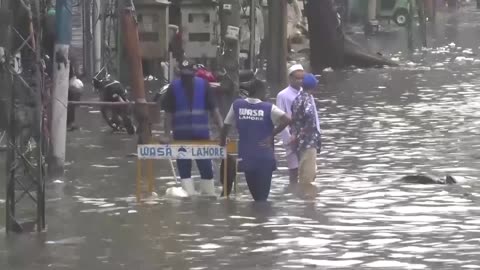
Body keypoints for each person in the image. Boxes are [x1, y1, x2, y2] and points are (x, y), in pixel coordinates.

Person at [220, 79, 291, 201]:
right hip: (264, 159)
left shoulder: (237, 105)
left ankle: (255, 218)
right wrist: (271, 135)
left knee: (256, 198)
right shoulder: (269, 108)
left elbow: (226, 125)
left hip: (247, 159)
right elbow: (287, 119)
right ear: (261, 92)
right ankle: (262, 219)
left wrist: (222, 143)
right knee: (262, 200)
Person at [162, 60, 224, 197]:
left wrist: (222, 133)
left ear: (195, 73)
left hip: (201, 137)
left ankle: (208, 195)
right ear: (180, 73)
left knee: (206, 169)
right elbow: (168, 113)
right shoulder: (173, 87)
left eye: (189, 75)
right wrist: (166, 134)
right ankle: (188, 195)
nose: (187, 78)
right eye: (184, 75)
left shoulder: (204, 85)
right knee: (184, 170)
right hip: (181, 137)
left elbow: (215, 111)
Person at [276, 64, 305, 184]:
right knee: (293, 170)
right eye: (297, 78)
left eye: (302, 78)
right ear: (290, 78)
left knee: (307, 169)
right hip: (290, 137)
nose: (300, 81)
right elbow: (279, 117)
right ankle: (293, 192)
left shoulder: (306, 93)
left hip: (306, 136)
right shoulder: (282, 95)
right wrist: (288, 138)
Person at [290, 73, 321, 184]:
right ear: (313, 86)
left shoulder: (297, 99)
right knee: (308, 177)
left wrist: (296, 133)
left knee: (302, 173)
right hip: (309, 141)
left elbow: (293, 120)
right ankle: (308, 199)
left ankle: (300, 198)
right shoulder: (307, 99)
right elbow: (309, 115)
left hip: (300, 142)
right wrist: (306, 130)